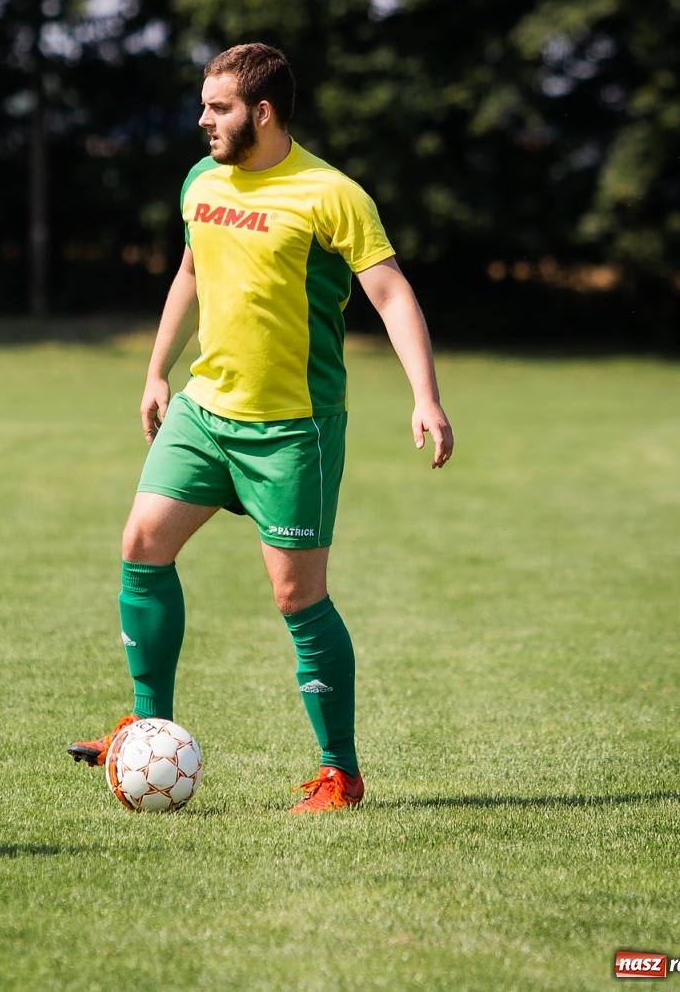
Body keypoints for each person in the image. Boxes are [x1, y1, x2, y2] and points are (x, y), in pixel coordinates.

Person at [67, 43, 454, 813]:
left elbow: (392, 293)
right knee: (142, 545)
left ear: (263, 112)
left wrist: (425, 395)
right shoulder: (201, 180)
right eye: (204, 105)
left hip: (291, 430)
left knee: (296, 597)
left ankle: (339, 773)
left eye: (219, 107)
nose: (202, 119)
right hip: (205, 412)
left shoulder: (330, 193)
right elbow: (190, 272)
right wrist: (156, 371)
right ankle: (144, 727)